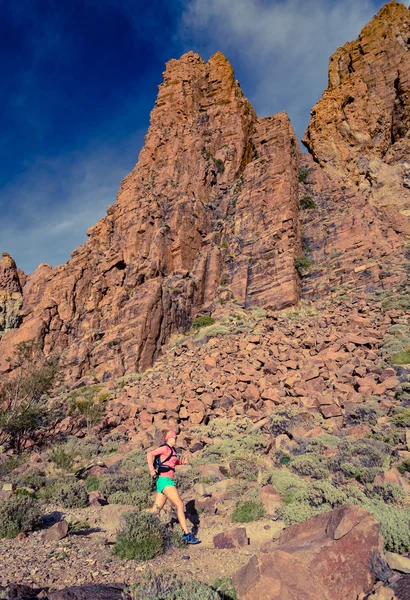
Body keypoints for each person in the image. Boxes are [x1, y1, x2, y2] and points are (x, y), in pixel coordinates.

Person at [147, 430, 200, 544]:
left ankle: (136, 516)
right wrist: (152, 470)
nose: (175, 439)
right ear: (168, 438)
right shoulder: (165, 448)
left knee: (155, 510)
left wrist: (182, 462)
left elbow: (172, 463)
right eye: (173, 437)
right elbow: (150, 454)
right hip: (165, 481)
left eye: (176, 437)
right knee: (180, 505)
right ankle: (186, 534)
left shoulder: (173, 451)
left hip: (165, 481)